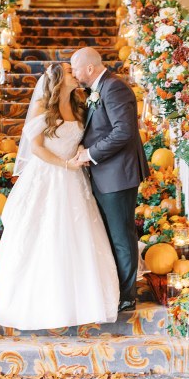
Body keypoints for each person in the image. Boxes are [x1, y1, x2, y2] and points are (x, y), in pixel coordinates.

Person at [0, 62, 119, 330]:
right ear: (59, 80)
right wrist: (64, 165)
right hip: (48, 175)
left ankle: (83, 301)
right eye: (71, 71)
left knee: (78, 235)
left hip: (74, 177)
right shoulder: (42, 108)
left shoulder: (79, 105)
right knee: (46, 234)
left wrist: (80, 154)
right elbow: (36, 148)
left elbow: (83, 137)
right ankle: (44, 301)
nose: (76, 73)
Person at [71, 47, 150, 312]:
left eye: (75, 68)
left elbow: (123, 132)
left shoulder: (115, 88)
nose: (73, 73)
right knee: (112, 235)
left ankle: (127, 296)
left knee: (121, 236)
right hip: (106, 174)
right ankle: (117, 289)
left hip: (118, 175)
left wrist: (90, 154)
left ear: (90, 68)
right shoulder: (99, 89)